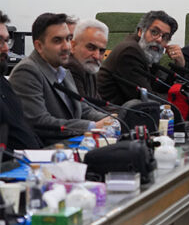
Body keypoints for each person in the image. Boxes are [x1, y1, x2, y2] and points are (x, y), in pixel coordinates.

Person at [8, 13, 115, 143]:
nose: (67, 47)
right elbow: (40, 122)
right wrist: (91, 126)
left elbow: (83, 109)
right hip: (44, 150)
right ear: (39, 46)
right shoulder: (27, 71)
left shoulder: (62, 71)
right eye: (57, 41)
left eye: (68, 39)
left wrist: (112, 120)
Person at [97, 10, 184, 105]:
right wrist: (180, 98)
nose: (159, 39)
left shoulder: (148, 50)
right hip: (109, 111)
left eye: (165, 36)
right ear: (140, 31)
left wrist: (179, 66)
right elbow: (146, 97)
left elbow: (158, 88)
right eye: (154, 32)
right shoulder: (129, 52)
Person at [0, 11, 43, 150]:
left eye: (7, 41)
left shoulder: (4, 84)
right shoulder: (26, 71)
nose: (6, 48)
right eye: (0, 41)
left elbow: (22, 128)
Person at [67, 18, 109, 101]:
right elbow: (83, 107)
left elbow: (98, 103)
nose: (96, 56)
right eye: (91, 47)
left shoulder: (90, 67)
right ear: (73, 46)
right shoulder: (71, 67)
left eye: (101, 51)